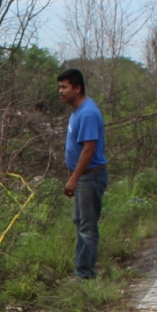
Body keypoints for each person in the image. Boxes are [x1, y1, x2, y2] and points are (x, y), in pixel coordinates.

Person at [58, 68, 108, 279]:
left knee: (87, 228)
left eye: (64, 87)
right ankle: (82, 271)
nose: (60, 91)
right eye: (59, 87)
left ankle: (84, 275)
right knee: (80, 223)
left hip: (89, 177)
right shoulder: (76, 110)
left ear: (77, 88)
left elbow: (89, 149)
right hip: (82, 176)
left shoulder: (87, 112)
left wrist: (74, 178)